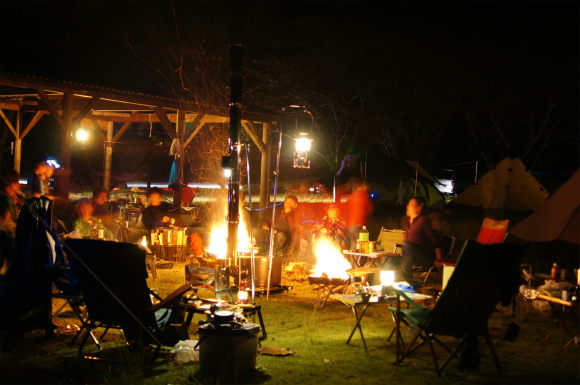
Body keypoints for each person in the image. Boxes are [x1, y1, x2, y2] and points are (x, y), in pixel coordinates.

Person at [400, 197, 442, 284]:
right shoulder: (405, 220)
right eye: (408, 205)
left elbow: (434, 240)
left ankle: (407, 280)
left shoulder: (423, 220)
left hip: (424, 257)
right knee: (389, 258)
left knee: (408, 245)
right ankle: (391, 282)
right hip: (409, 256)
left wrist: (439, 259)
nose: (408, 207)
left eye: (411, 205)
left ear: (418, 208)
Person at [347, 183, 372, 250]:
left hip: (351, 225)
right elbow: (370, 209)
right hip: (359, 225)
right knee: (361, 245)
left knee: (353, 244)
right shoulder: (364, 196)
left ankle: (352, 260)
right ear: (363, 186)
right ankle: (359, 260)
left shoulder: (352, 196)